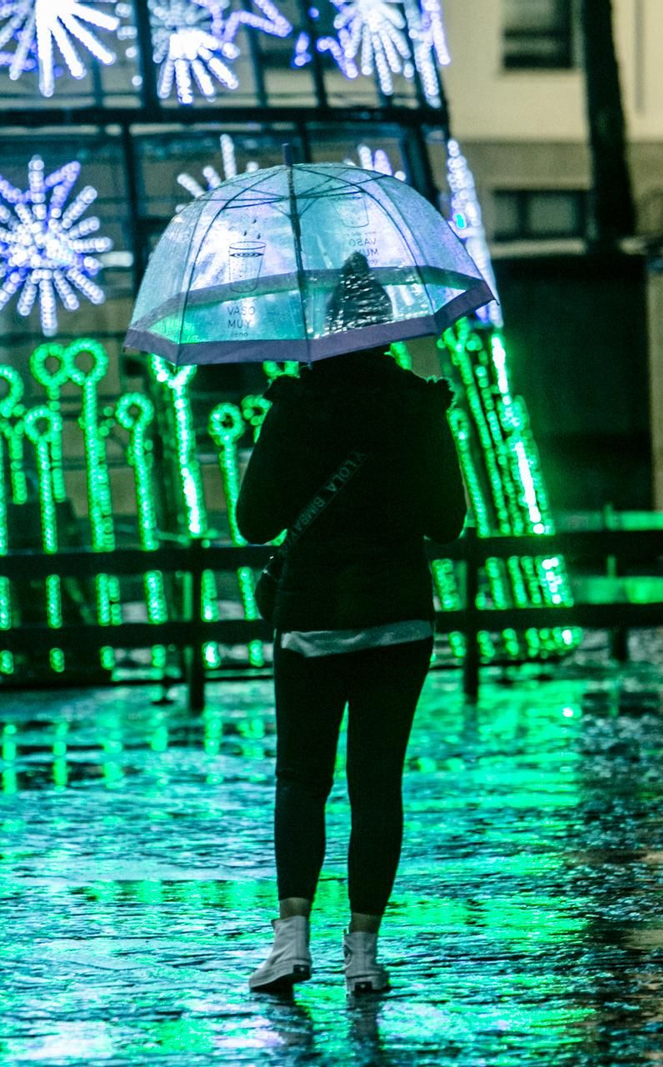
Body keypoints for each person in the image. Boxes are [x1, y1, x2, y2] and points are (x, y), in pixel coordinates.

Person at [237, 254, 468, 996]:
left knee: (303, 778)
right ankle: (363, 950)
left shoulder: (296, 407)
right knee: (377, 785)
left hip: (310, 623)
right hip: (398, 619)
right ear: (390, 332)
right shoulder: (416, 405)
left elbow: (252, 522)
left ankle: (290, 942)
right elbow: (449, 521)